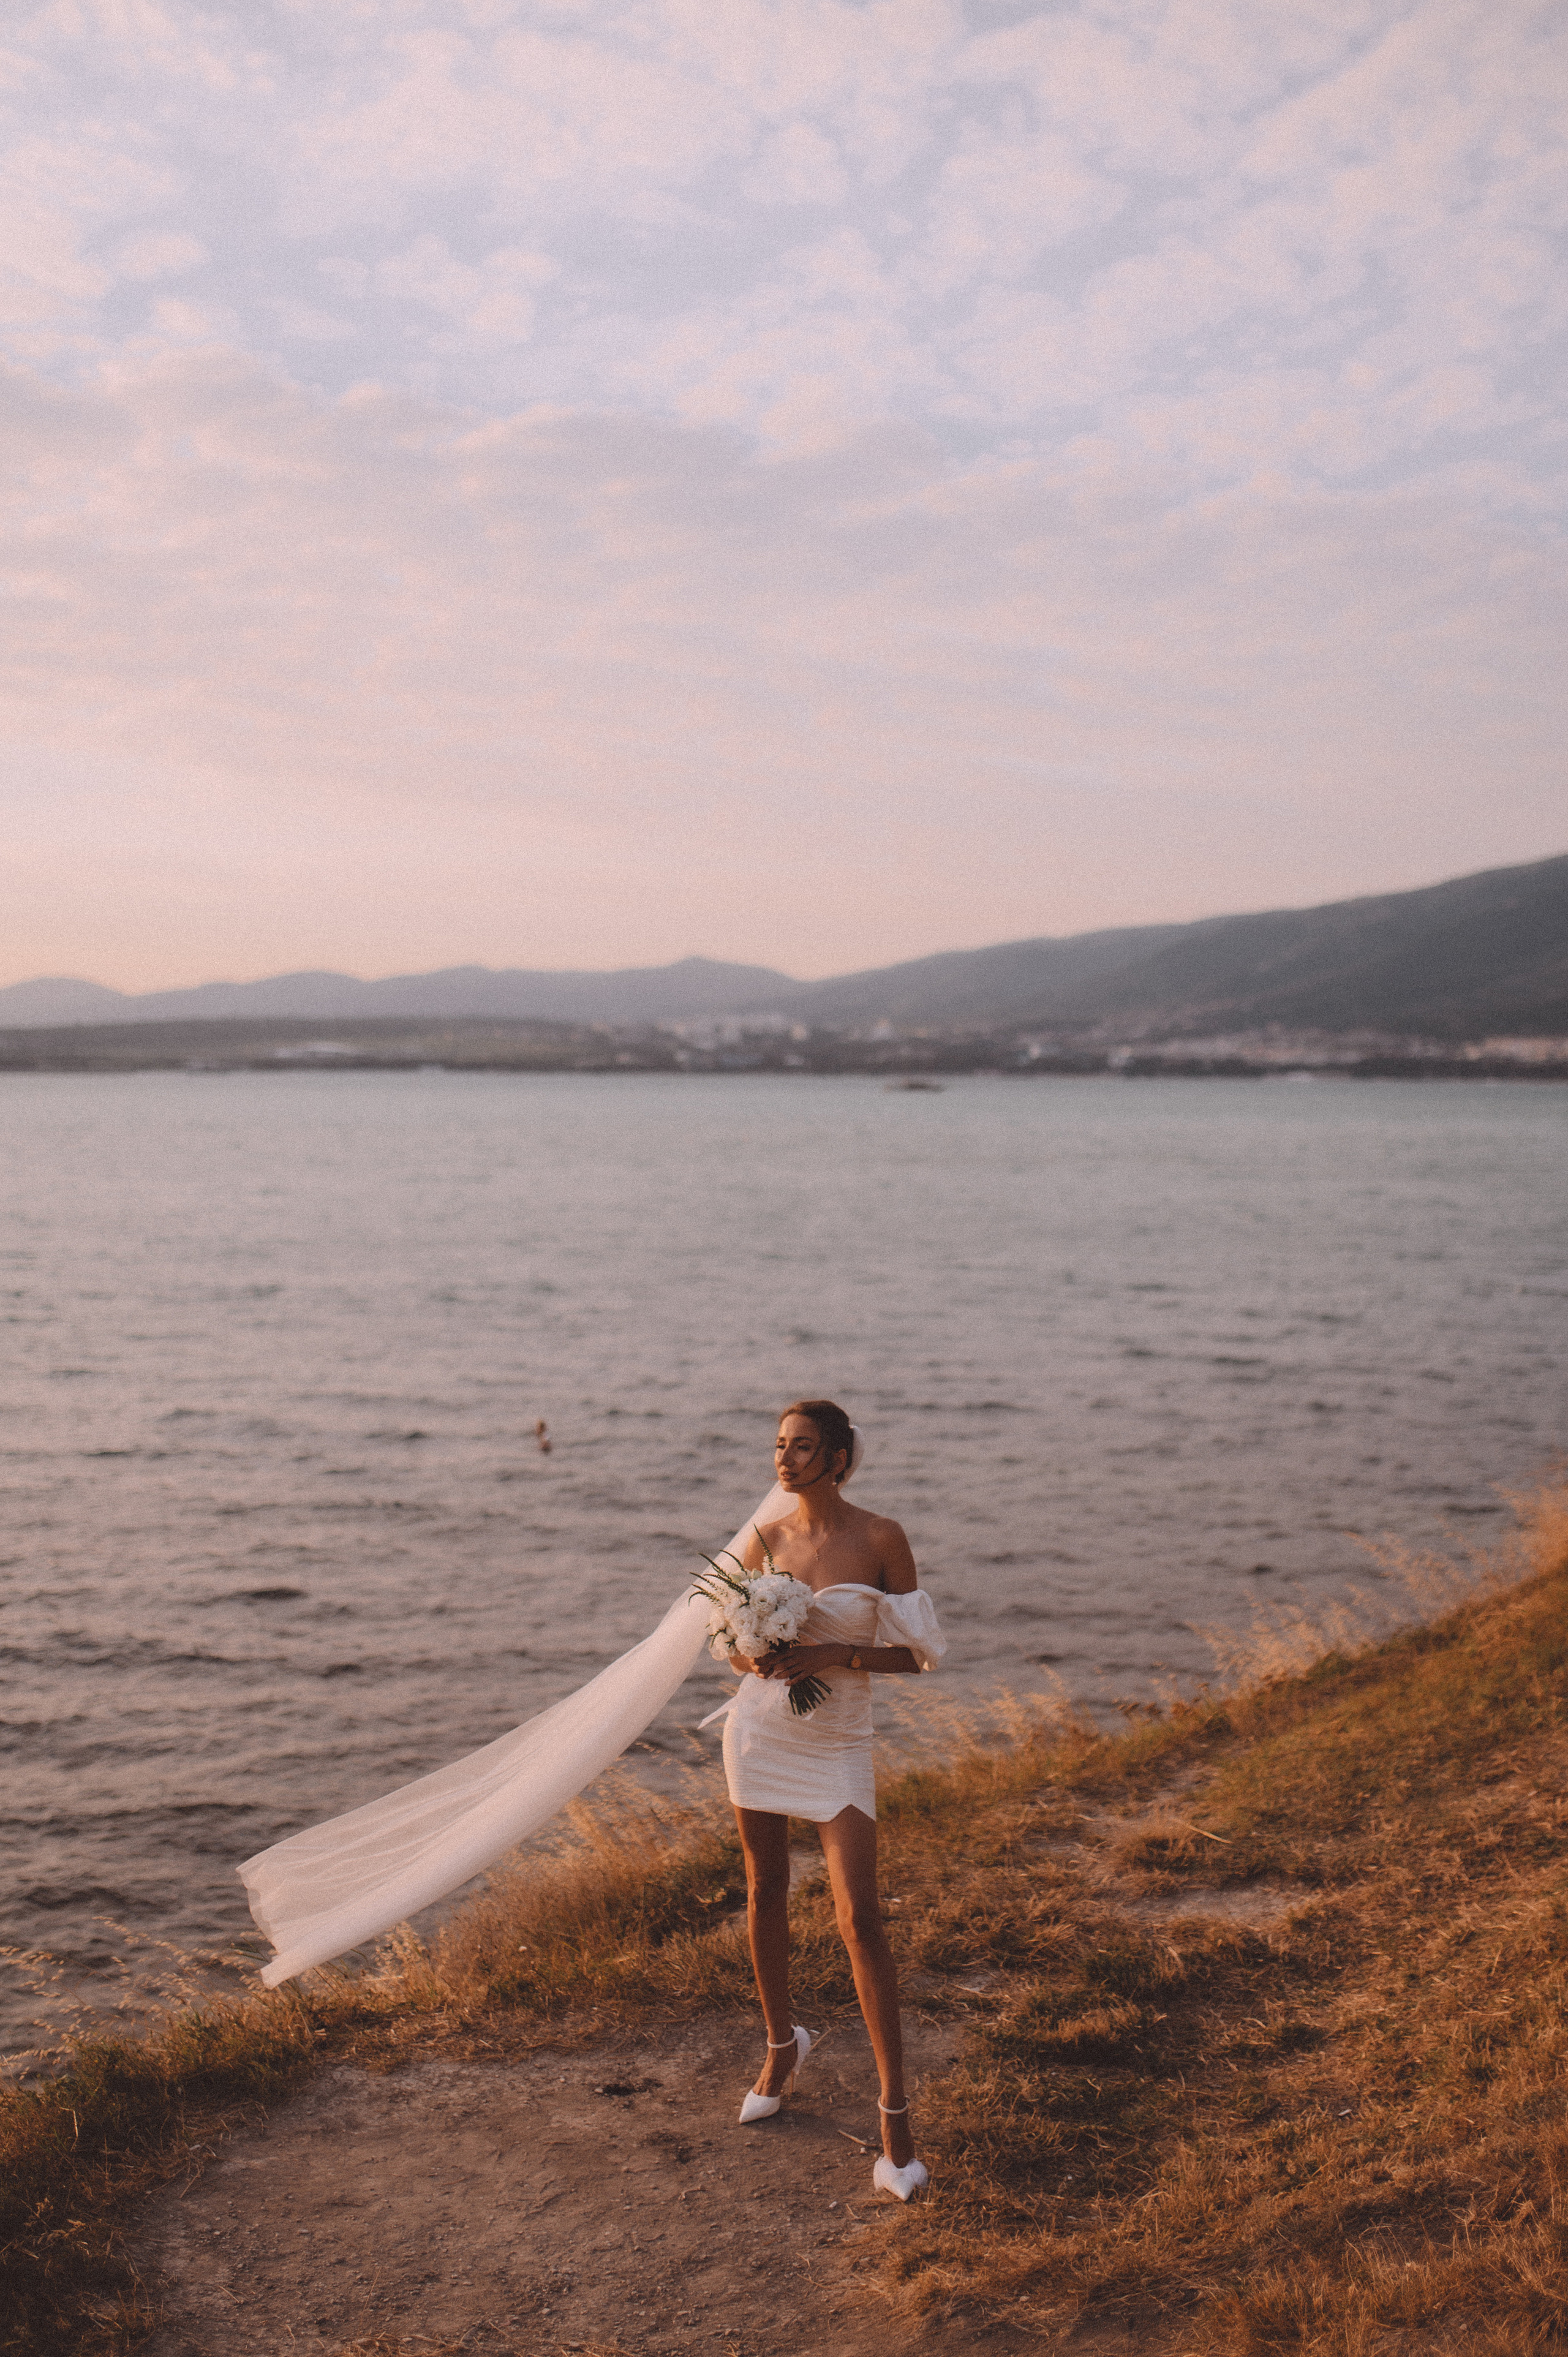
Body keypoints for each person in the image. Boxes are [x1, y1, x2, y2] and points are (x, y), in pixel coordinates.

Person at [717, 1399, 945, 2201]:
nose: (785, 1459)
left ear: (839, 1458)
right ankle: (782, 2045)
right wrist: (756, 1653)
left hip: (839, 1744)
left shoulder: (882, 1538)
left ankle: (895, 2122)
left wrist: (838, 1652)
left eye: (803, 1447)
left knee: (860, 1919)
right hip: (760, 1733)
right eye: (780, 1445)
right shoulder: (766, 1538)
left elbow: (920, 1656)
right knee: (764, 1891)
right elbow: (730, 1645)